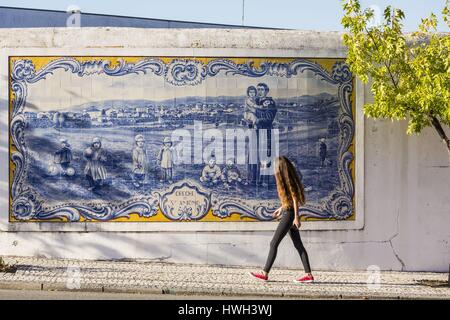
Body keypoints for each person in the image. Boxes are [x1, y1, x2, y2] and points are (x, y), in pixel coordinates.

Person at [249, 156, 314, 283]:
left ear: (280, 168)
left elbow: (295, 198)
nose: (274, 169)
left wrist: (296, 217)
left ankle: (264, 273)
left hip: (289, 214)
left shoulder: (288, 180)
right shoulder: (285, 179)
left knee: (274, 243)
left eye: (275, 167)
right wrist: (281, 208)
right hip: (287, 211)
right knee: (298, 245)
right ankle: (308, 275)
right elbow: (289, 199)